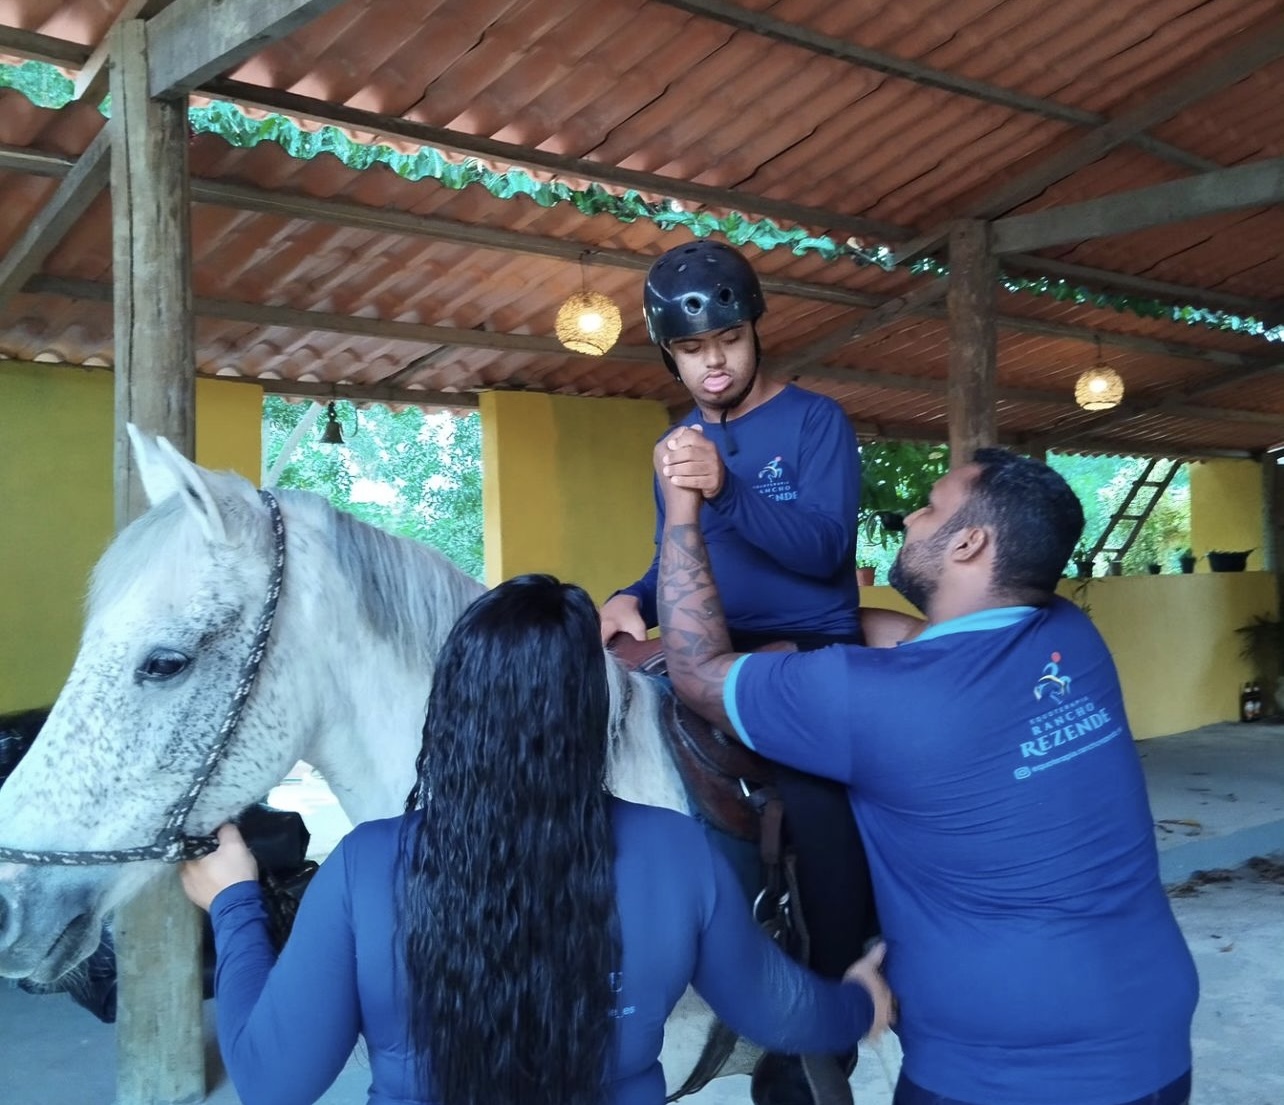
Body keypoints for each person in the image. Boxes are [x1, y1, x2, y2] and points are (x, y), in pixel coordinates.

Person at [180, 574, 892, 1105]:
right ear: (594, 710)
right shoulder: (677, 853)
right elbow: (778, 1010)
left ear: (452, 703)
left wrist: (236, 905)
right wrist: (859, 1001)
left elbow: (272, 1081)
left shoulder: (366, 867)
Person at [654, 447, 1199, 1105]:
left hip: (997, 1077)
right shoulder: (1069, 636)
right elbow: (914, 638)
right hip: (1155, 1044)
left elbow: (696, 671)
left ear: (969, 541)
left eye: (932, 505)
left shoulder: (873, 701)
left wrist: (680, 506)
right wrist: (811, 628)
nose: (912, 515)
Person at [602, 242, 878, 1060]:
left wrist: (729, 484)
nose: (711, 363)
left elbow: (824, 548)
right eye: (690, 350)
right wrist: (634, 595)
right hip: (703, 645)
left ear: (756, 329)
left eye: (725, 340)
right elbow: (676, 553)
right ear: (670, 355)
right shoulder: (675, 444)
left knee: (820, 801)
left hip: (805, 649)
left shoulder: (816, 420)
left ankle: (836, 992)